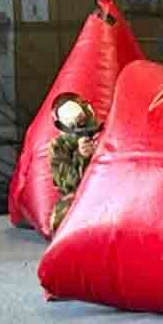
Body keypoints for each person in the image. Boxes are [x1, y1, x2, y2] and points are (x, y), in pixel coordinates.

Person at [47, 92, 102, 234]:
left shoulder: (105, 131)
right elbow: (68, 186)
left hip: (110, 191)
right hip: (83, 196)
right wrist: (83, 157)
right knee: (61, 217)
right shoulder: (59, 146)